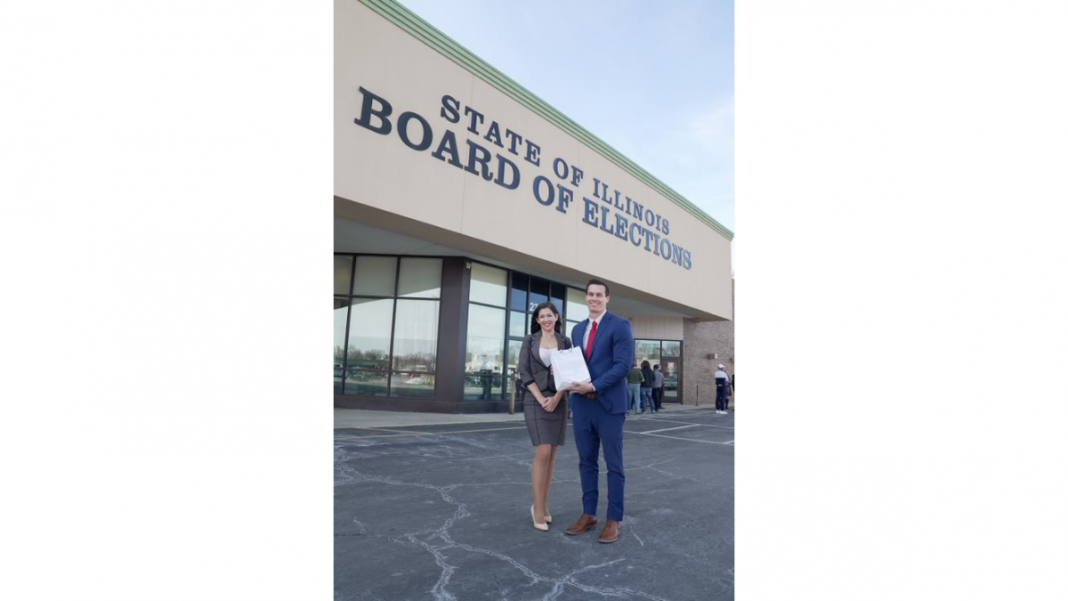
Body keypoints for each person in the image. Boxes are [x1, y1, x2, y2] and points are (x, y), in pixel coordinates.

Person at [563, 279, 634, 544]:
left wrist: (594, 385)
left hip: (609, 405)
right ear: (586, 298)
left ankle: (614, 518)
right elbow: (577, 364)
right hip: (582, 406)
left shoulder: (620, 325)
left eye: (599, 295)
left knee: (614, 465)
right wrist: (561, 374)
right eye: (590, 294)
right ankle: (589, 514)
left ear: (607, 298)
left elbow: (623, 366)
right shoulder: (578, 328)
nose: (594, 298)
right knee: (586, 462)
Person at [517, 302, 571, 531]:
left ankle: (544, 503)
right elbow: (524, 371)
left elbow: (570, 371)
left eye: (550, 315)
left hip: (558, 399)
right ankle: (537, 507)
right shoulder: (529, 341)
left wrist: (557, 397)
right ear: (537, 320)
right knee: (543, 450)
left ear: (556, 317)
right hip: (535, 399)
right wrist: (541, 399)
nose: (546, 319)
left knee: (553, 453)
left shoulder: (565, 341)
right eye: (542, 316)